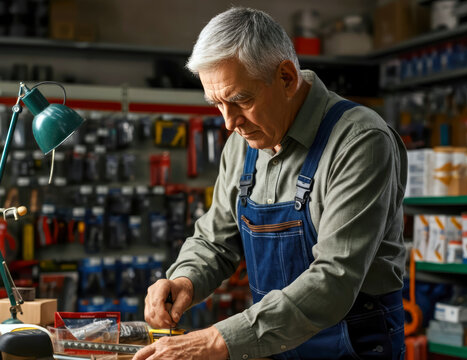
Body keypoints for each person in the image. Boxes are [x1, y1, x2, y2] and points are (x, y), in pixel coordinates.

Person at [133, 7, 407, 360]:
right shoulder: (244, 141)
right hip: (274, 343)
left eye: (240, 100)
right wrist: (185, 279)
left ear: (287, 78)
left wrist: (217, 340)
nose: (229, 123)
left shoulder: (360, 140)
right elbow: (216, 241)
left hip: (353, 344)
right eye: (217, 104)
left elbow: (334, 280)